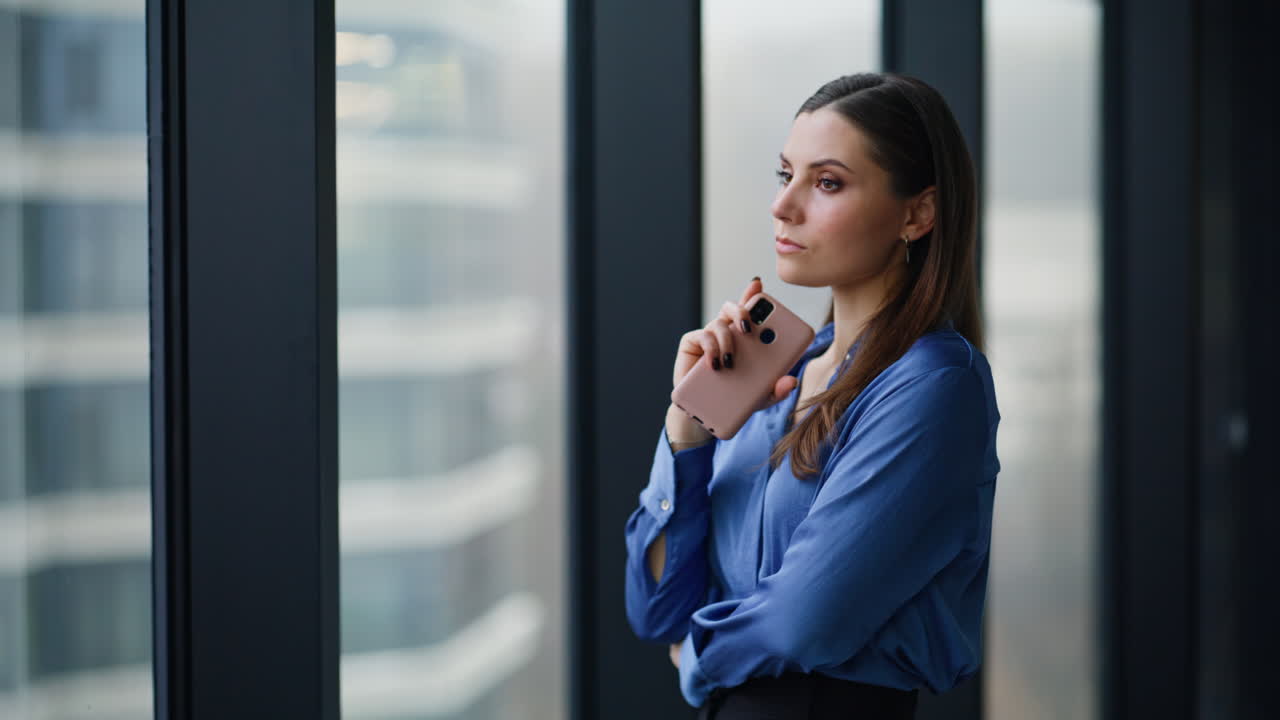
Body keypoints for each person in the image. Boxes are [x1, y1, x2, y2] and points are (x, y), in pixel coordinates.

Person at [622, 72, 1001, 719]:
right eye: (784, 175)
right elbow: (659, 610)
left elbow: (807, 620)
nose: (783, 205)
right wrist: (687, 428)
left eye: (826, 183)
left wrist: (702, 656)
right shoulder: (781, 376)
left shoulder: (934, 384)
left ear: (917, 213)